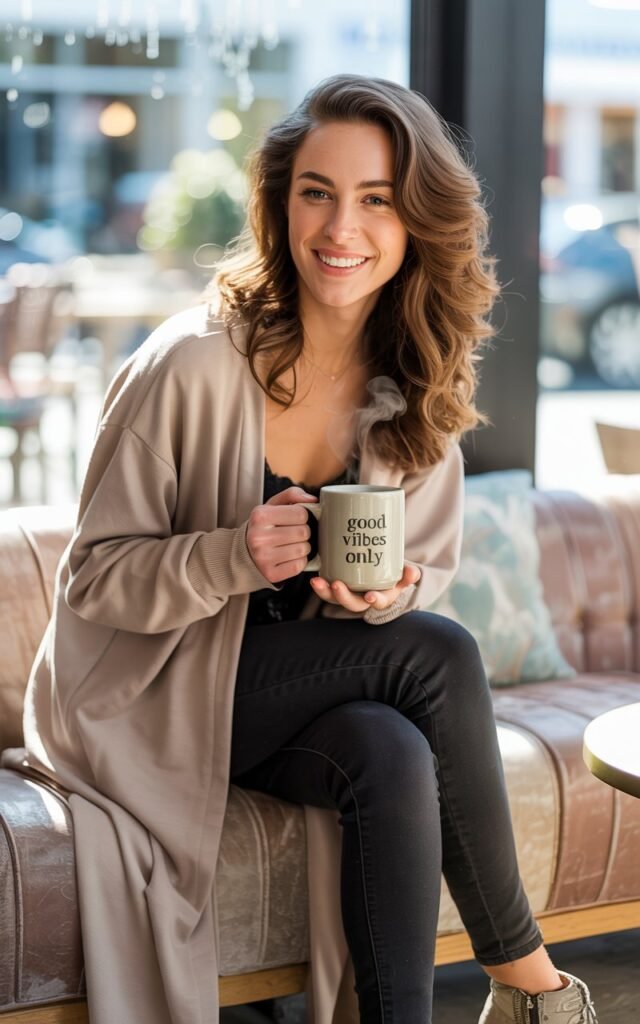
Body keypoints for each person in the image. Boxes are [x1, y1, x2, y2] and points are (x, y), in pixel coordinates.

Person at [12, 74, 599, 1024]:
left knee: (390, 747)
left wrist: (389, 596)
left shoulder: (412, 378)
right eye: (317, 192)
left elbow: (428, 570)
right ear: (280, 202)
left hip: (278, 696)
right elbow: (92, 579)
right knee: (440, 654)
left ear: (416, 224)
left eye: (376, 200)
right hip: (146, 697)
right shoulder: (192, 364)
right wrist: (230, 556)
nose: (341, 228)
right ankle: (532, 982)